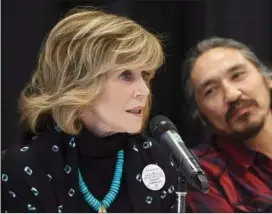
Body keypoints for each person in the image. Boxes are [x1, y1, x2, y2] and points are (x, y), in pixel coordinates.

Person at [1, 8, 178, 213]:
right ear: (80, 81)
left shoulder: (154, 156)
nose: (144, 91)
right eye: (126, 75)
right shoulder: (29, 164)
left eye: (145, 76)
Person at [181, 37, 272, 212]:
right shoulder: (200, 177)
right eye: (210, 91)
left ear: (267, 79)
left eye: (237, 75)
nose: (231, 95)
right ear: (201, 114)